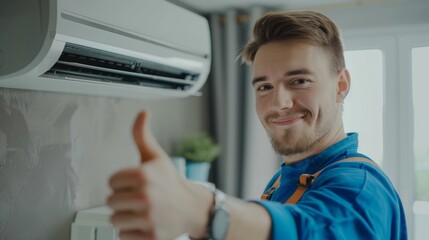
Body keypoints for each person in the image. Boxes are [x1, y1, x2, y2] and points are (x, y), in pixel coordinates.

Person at [107, 11, 407, 240]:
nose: (278, 103)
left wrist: (201, 209)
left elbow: (312, 230)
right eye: (264, 87)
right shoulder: (286, 178)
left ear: (340, 85)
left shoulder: (359, 189)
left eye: (299, 81)